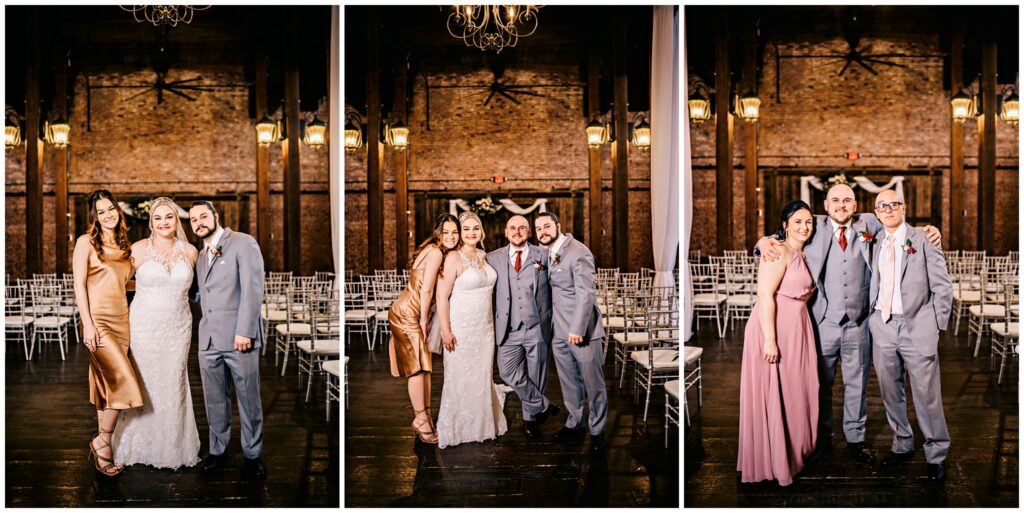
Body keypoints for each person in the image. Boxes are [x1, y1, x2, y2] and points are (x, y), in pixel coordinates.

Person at [755, 184, 942, 466]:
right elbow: (785, 233)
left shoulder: (870, 223)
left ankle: (856, 440)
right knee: (821, 384)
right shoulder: (813, 225)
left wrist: (930, 230)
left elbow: (899, 226)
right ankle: (822, 439)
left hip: (860, 324)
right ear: (826, 206)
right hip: (822, 323)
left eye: (847, 200)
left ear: (856, 206)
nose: (841, 205)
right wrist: (761, 241)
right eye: (835, 200)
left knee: (857, 385)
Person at [867, 190, 952, 482]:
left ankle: (936, 453)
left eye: (894, 204)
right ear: (876, 213)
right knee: (891, 391)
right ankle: (902, 442)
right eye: (882, 206)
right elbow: (825, 220)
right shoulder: (873, 240)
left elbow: (942, 285)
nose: (888, 209)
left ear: (904, 207)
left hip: (918, 327)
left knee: (927, 396)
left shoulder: (924, 238)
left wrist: (937, 325)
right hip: (883, 325)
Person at [112, 197, 201, 469]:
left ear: (177, 220)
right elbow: (117, 283)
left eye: (169, 217)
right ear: (151, 222)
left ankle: (172, 446)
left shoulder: (190, 251)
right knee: (144, 382)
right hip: (144, 326)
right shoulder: (138, 249)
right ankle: (136, 444)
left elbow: (199, 289)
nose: (164, 222)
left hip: (178, 327)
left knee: (174, 381)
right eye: (158, 218)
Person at [738, 200, 819, 486]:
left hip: (798, 326)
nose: (804, 226)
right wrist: (770, 340)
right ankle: (774, 459)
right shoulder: (777, 251)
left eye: (808, 221)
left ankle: (793, 450)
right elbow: (764, 296)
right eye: (797, 221)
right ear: (784, 224)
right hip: (774, 327)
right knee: (777, 390)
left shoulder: (803, 250)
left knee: (796, 389)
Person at [189, 201, 267, 481]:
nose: (198, 222)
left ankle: (253, 455)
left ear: (215, 216)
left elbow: (253, 288)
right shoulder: (199, 256)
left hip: (239, 338)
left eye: (203, 216)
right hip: (208, 339)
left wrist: (245, 330)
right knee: (214, 400)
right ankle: (218, 451)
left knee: (249, 399)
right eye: (193, 219)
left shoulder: (243, 243)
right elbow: (201, 294)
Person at [72, 189, 144, 477]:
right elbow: (79, 285)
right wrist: (87, 323)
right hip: (98, 321)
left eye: (110, 208)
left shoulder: (127, 247)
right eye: (101, 211)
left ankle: (104, 444)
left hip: (121, 321)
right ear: (94, 217)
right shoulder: (85, 243)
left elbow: (123, 284)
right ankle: (102, 442)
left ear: (118, 210)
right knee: (121, 380)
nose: (108, 214)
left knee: (106, 383)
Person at [434, 211, 511, 448]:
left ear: (481, 231)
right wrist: (446, 331)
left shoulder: (483, 255)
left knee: (481, 375)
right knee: (459, 376)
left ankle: (483, 423)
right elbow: (442, 296)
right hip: (461, 328)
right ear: (459, 233)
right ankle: (457, 427)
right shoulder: (453, 258)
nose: (471, 233)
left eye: (475, 228)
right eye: (465, 229)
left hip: (485, 329)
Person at [534, 212, 608, 453]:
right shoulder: (546, 252)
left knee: (592, 382)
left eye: (547, 226)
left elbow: (586, 294)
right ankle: (575, 423)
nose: (542, 231)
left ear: (558, 226)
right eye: (538, 228)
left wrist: (577, 328)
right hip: (558, 331)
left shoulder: (578, 251)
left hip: (582, 331)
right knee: (569, 382)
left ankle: (597, 431)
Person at [387, 213, 461, 444]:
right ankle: (420, 419)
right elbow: (427, 291)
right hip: (409, 314)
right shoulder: (437, 252)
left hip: (406, 308)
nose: (450, 236)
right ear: (438, 233)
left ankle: (426, 415)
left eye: (454, 232)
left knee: (425, 367)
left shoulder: (431, 249)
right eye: (445, 232)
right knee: (417, 369)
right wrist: (422, 320)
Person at [486, 215, 560, 439]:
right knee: (507, 371)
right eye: (512, 228)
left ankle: (531, 420)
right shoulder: (492, 258)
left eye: (521, 228)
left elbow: (559, 286)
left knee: (537, 375)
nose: (517, 231)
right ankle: (542, 405)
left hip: (537, 326)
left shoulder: (544, 255)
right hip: (507, 327)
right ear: (506, 232)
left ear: (528, 232)